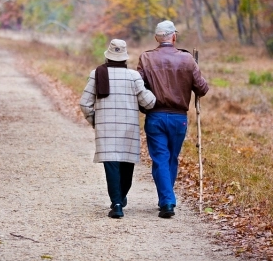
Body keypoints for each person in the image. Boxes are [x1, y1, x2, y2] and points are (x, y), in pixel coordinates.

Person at [137, 20, 209, 218]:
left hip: (155, 115)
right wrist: (193, 70)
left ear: (156, 38)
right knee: (170, 158)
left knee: (160, 158)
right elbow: (202, 89)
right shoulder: (187, 59)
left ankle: (166, 200)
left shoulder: (146, 58)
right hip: (179, 118)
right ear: (174, 37)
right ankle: (167, 200)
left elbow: (137, 86)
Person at [80, 39, 156, 219]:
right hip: (128, 127)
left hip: (105, 129)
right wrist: (151, 90)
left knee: (111, 165)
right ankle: (120, 198)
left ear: (107, 56)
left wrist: (95, 121)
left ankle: (116, 204)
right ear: (125, 58)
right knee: (126, 165)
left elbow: (85, 103)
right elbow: (149, 102)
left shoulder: (96, 74)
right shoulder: (133, 76)